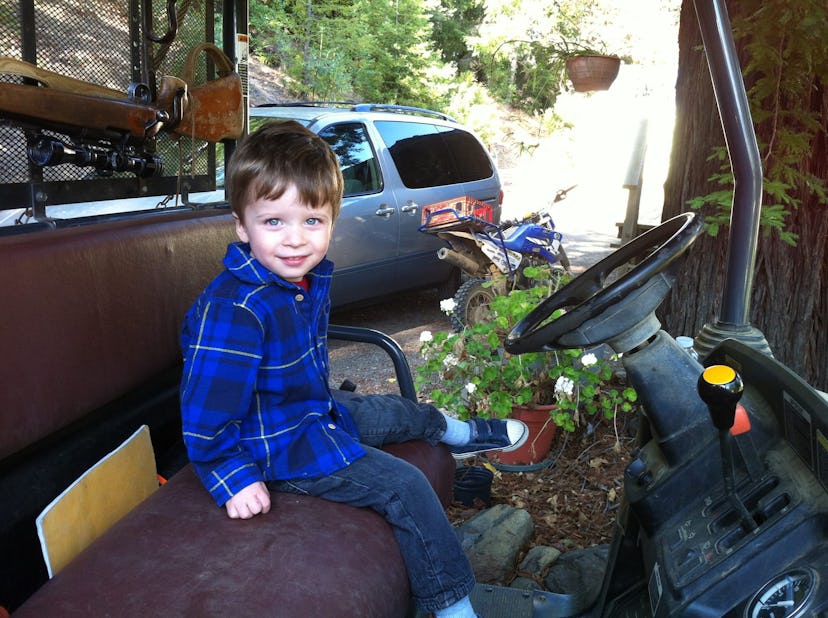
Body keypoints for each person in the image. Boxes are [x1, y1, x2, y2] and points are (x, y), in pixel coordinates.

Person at [179, 120, 528, 618]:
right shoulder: (236, 310)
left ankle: (460, 433)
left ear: (332, 221)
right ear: (241, 225)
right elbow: (205, 411)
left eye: (312, 221)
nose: (295, 240)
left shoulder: (301, 278)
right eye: (273, 222)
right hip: (277, 445)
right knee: (405, 488)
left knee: (390, 410)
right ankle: (451, 604)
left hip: (306, 409)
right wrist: (230, 475)